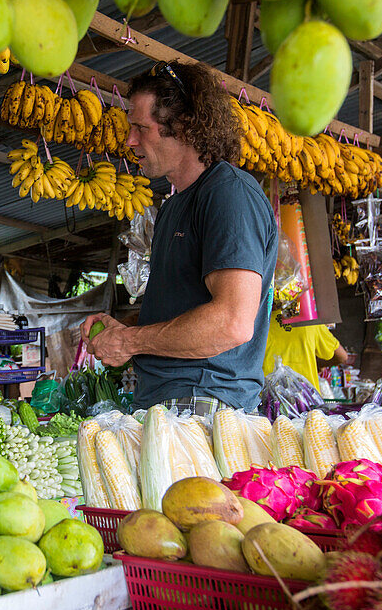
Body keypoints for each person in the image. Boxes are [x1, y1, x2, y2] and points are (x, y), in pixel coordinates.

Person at [82, 61, 278, 414]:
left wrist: (130, 341)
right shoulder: (174, 206)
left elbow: (232, 323)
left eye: (142, 128)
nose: (130, 140)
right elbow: (181, 310)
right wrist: (124, 328)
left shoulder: (228, 194)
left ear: (185, 126)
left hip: (204, 400)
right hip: (167, 399)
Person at [263, 311, 349, 391]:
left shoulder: (262, 319)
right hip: (306, 396)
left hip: (269, 393)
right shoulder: (311, 321)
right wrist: (319, 365)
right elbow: (342, 357)